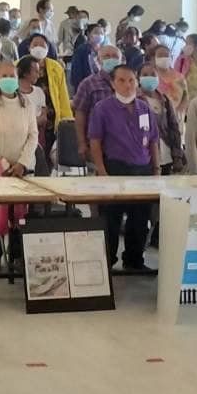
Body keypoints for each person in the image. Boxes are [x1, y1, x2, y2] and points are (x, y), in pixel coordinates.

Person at [87, 65, 159, 272]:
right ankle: (107, 261)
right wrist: (102, 170)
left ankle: (134, 260)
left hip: (142, 170)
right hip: (115, 168)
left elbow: (153, 140)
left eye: (131, 80)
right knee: (111, 219)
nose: (127, 85)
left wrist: (156, 169)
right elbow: (95, 141)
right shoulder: (102, 108)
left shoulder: (144, 108)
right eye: (121, 80)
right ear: (113, 83)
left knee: (140, 218)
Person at [0, 60, 40, 274]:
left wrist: (22, 163)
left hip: (22, 170)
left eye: (11, 76)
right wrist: (2, 163)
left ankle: (16, 254)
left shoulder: (27, 103)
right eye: (4, 76)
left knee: (19, 215)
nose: (8, 80)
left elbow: (33, 135)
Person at [73, 44, 123, 161]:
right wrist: (82, 143)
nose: (111, 59)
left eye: (115, 56)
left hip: (123, 146)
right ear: (98, 60)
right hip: (97, 144)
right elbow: (80, 114)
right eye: (106, 56)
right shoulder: (88, 84)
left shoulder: (128, 83)